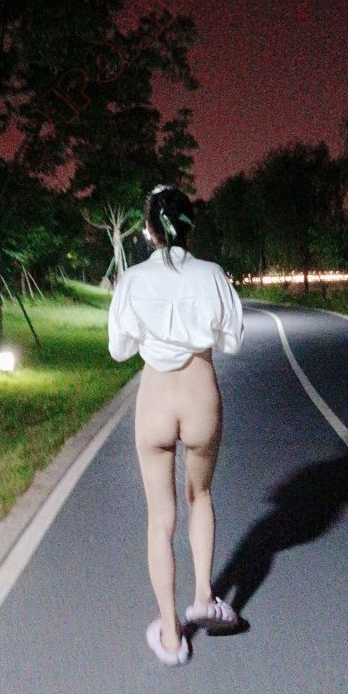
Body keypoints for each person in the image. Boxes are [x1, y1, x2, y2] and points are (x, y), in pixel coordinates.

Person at [108, 184, 245, 666]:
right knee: (199, 495)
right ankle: (204, 596)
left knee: (160, 518)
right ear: (191, 226)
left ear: (149, 230)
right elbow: (232, 340)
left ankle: (170, 636)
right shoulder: (212, 275)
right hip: (200, 395)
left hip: (156, 401)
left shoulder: (132, 280)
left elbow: (119, 349)